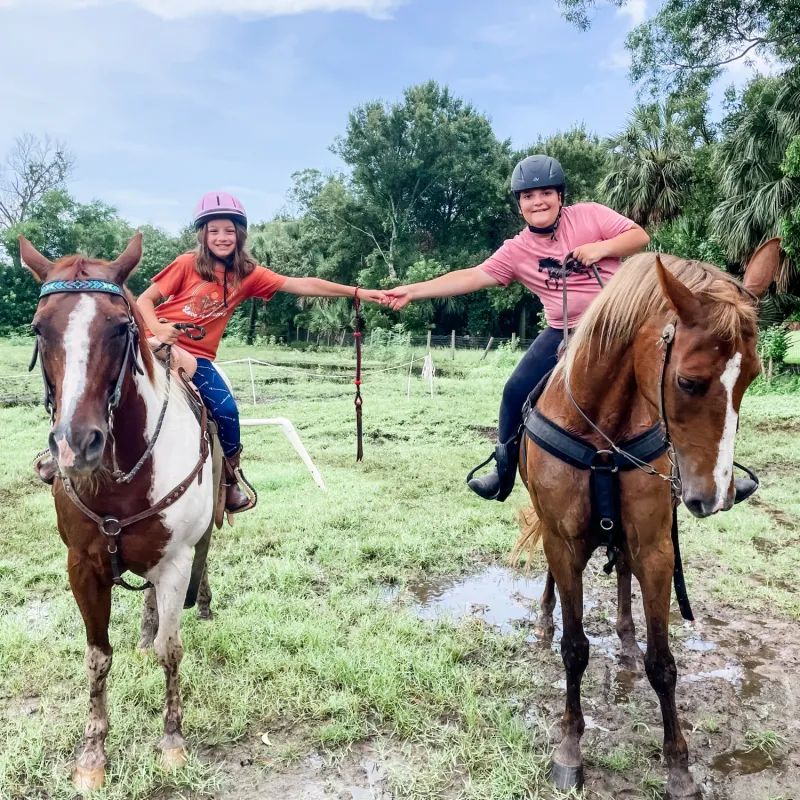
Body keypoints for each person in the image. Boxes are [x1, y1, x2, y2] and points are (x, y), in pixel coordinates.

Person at [381, 155, 759, 504]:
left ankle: (717, 471)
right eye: (529, 196)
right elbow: (473, 276)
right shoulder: (516, 251)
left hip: (618, 330)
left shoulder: (590, 216)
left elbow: (639, 237)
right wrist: (413, 291)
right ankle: (503, 469)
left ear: (560, 197)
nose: (538, 201)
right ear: (519, 205)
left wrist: (599, 249)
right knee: (514, 390)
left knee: (679, 383)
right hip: (562, 332)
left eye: (546, 193)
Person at [36, 192, 382, 513]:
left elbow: (302, 284)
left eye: (229, 231)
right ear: (202, 235)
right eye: (213, 230)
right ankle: (61, 450)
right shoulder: (187, 264)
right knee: (92, 381)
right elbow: (145, 300)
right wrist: (157, 331)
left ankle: (230, 478)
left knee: (227, 410)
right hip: (150, 342)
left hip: (197, 357)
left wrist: (357, 292)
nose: (221, 237)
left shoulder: (248, 275)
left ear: (240, 235)